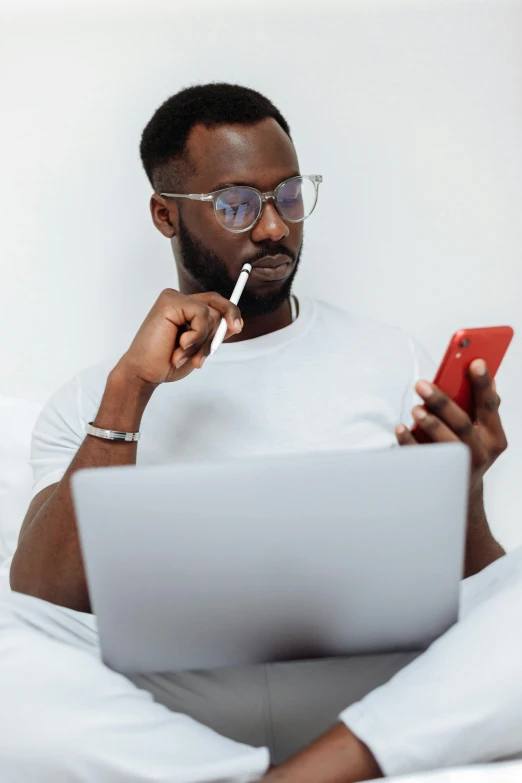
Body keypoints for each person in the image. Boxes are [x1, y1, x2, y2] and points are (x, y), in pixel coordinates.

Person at [2, 83, 520, 782]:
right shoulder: (94, 397)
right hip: (176, 703)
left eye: (291, 196)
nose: (275, 228)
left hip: (376, 690)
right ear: (165, 214)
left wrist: (462, 491)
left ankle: (307, 772)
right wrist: (128, 395)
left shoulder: (389, 357)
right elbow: (39, 598)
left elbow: (476, 587)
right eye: (237, 205)